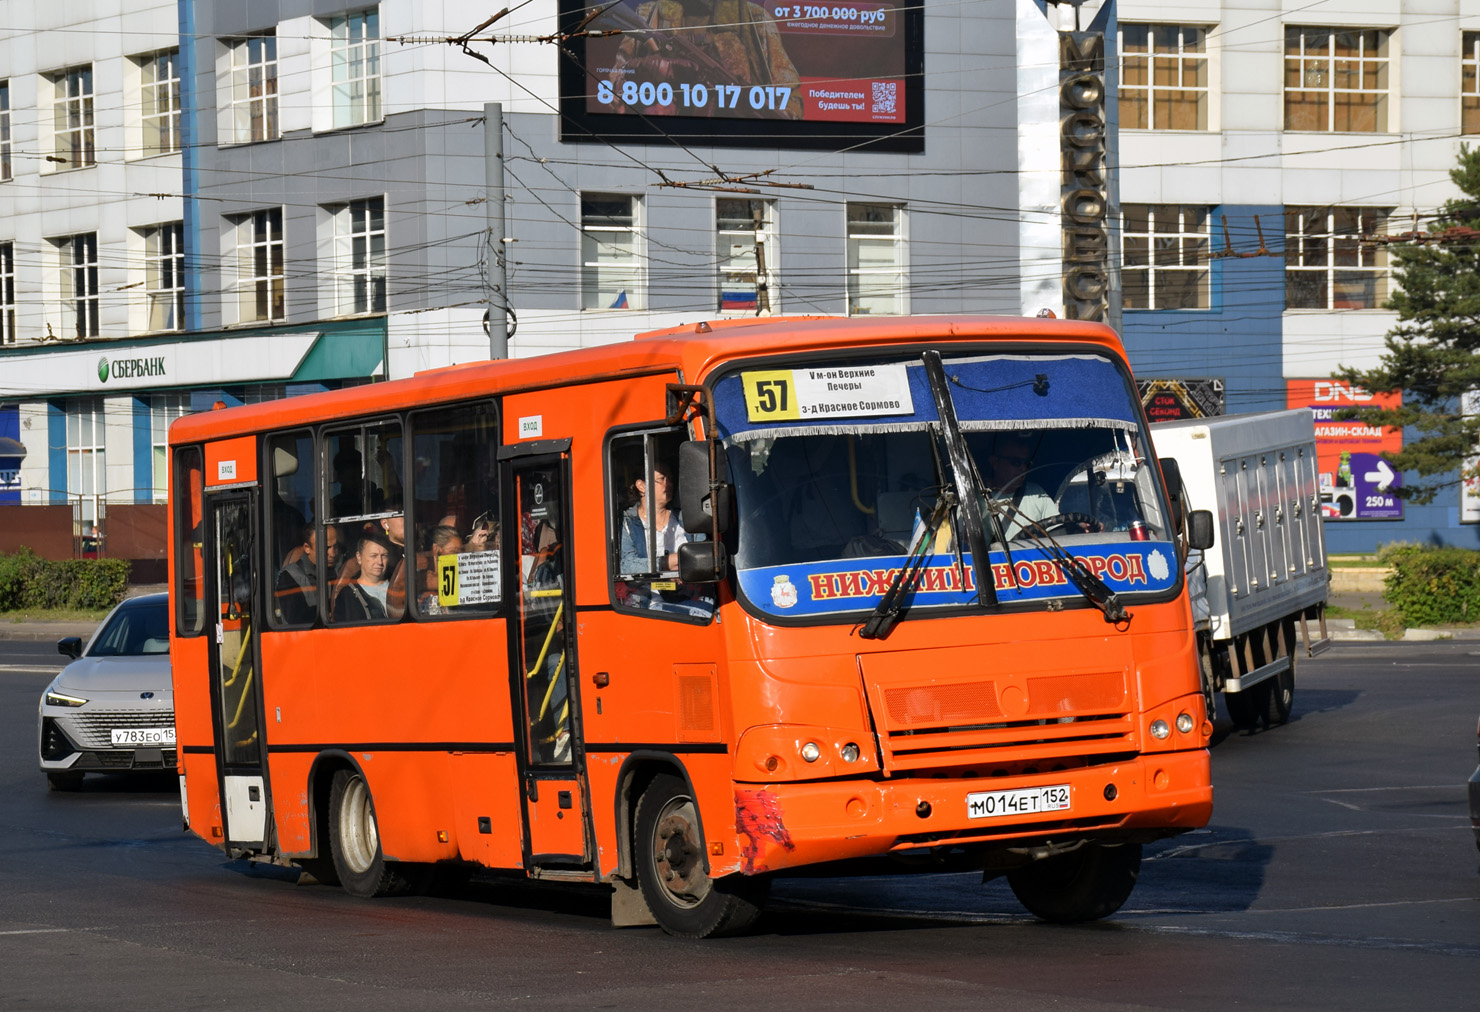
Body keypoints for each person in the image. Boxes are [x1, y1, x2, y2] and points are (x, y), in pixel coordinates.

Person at [982, 432, 1059, 541]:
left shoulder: (1036, 493)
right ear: (995, 462)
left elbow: (1057, 532)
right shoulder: (975, 497)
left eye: (1027, 463)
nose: (1023, 469)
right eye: (1016, 462)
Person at [619, 462, 687, 574]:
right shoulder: (626, 522)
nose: (669, 484)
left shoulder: (685, 518)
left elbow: (701, 556)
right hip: (643, 590)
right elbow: (627, 566)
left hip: (687, 590)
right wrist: (670, 561)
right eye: (661, 479)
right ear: (641, 486)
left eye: (670, 478)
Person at [274, 523, 339, 624]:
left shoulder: (338, 571)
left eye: (335, 547)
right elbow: (295, 619)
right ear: (307, 548)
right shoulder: (289, 577)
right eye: (326, 548)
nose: (333, 553)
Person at [333, 533, 393, 623]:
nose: (380, 562)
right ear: (359, 557)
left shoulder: (398, 588)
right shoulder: (347, 596)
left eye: (384, 556)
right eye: (373, 556)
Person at [417, 525, 463, 617]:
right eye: (454, 552)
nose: (459, 558)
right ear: (436, 549)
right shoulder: (422, 572)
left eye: (461, 552)